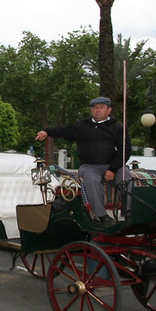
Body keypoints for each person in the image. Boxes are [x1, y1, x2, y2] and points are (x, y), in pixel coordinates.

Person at [36, 96, 132, 226]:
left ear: (109, 110)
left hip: (112, 164)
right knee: (91, 180)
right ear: (91, 110)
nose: (98, 110)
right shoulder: (81, 126)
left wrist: (112, 169)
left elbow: (124, 151)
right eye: (95, 108)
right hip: (89, 166)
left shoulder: (117, 127)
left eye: (102, 107)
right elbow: (64, 131)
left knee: (126, 176)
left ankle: (128, 212)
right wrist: (46, 132)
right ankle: (101, 216)